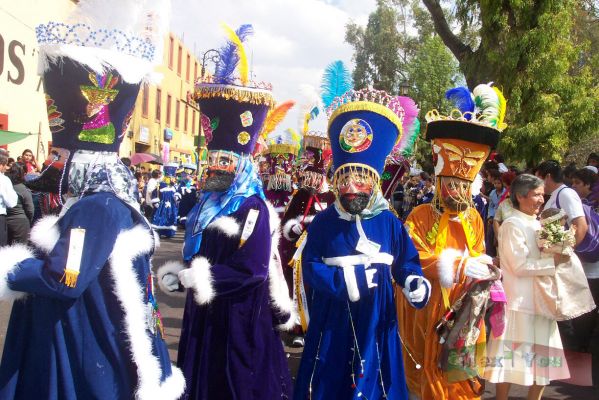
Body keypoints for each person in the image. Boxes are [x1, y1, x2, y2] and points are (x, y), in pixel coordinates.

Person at [0, 1, 185, 398]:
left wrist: (8, 271)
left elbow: (64, 277)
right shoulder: (99, 200)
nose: (52, 161)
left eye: (59, 154)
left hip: (85, 349)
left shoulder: (95, 206)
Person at [157, 24, 294, 400]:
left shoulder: (252, 208)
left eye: (224, 161)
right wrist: (181, 275)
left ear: (241, 164)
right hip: (205, 315)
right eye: (212, 159)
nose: (215, 167)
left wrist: (196, 276)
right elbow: (196, 253)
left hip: (239, 321)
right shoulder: (206, 203)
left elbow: (251, 271)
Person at [294, 88, 430, 400]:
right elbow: (310, 266)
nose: (351, 188)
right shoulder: (324, 223)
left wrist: (413, 281)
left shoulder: (389, 222)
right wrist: (346, 281)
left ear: (375, 181)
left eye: (361, 180)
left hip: (377, 323)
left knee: (379, 384)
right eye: (344, 180)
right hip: (333, 323)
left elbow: (406, 262)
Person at [397, 83, 508, 400]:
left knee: (462, 379)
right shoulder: (419, 215)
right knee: (433, 376)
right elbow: (414, 258)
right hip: (432, 309)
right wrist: (460, 265)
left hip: (465, 311)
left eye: (464, 184)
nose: (457, 191)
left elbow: (478, 252)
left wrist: (485, 268)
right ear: (439, 180)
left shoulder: (473, 217)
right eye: (452, 183)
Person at [483, 174, 571, 399]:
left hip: (543, 300)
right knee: (508, 363)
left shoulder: (538, 222)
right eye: (537, 195)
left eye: (543, 194)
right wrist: (552, 263)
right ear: (520, 196)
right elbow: (519, 266)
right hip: (519, 301)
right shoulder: (513, 224)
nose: (542, 199)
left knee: (544, 364)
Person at [279, 131, 335, 347]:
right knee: (298, 289)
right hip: (300, 254)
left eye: (312, 176)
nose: (308, 181)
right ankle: (298, 328)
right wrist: (296, 228)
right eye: (306, 176)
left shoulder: (331, 197)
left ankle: (319, 328)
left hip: (324, 254)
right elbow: (287, 225)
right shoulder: (300, 196)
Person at [5, 163, 34, 244]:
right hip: (20, 223)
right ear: (23, 174)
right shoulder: (23, 189)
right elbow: (30, 209)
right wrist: (29, 221)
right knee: (20, 250)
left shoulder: (5, 185)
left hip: (5, 221)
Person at [151, 162, 179, 238]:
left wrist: (177, 197)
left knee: (170, 217)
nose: (172, 179)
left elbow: (177, 193)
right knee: (160, 217)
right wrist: (156, 202)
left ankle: (169, 232)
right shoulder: (160, 184)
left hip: (171, 206)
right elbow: (155, 193)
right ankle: (159, 232)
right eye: (170, 177)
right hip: (162, 205)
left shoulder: (174, 186)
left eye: (173, 177)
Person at [0, 154, 18, 246]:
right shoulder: (4, 179)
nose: (6, 168)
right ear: (1, 165)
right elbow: (11, 202)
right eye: (5, 165)